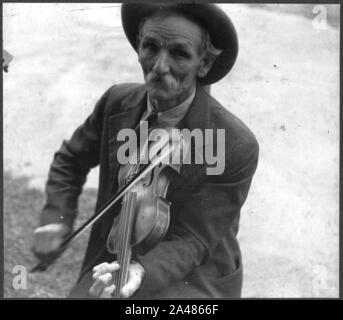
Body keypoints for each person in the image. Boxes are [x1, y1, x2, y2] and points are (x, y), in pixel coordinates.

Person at [32, 3, 259, 299]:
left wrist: (140, 271)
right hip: (119, 249)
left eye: (179, 53)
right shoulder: (116, 101)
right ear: (138, 46)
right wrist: (56, 217)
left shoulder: (235, 143)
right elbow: (71, 159)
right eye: (151, 47)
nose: (159, 66)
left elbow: (194, 239)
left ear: (203, 64)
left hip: (195, 273)